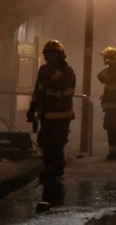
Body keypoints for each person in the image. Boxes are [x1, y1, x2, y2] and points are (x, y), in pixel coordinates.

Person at [26, 39, 76, 179]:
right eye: (47, 54)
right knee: (45, 142)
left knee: (57, 142)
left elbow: (66, 90)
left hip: (61, 115)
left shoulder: (67, 71)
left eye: (52, 53)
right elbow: (38, 91)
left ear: (60, 55)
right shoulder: (43, 70)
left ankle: (57, 168)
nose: (49, 57)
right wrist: (32, 109)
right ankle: (49, 167)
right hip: (46, 115)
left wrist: (53, 72)